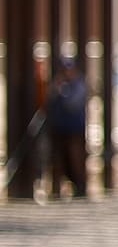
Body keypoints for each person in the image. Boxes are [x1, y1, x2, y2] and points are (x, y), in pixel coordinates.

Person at [46, 57, 88, 199]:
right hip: (59, 129)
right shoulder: (58, 85)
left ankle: (80, 187)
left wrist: (62, 92)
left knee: (75, 159)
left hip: (75, 130)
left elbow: (72, 104)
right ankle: (58, 189)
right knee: (59, 160)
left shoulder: (79, 85)